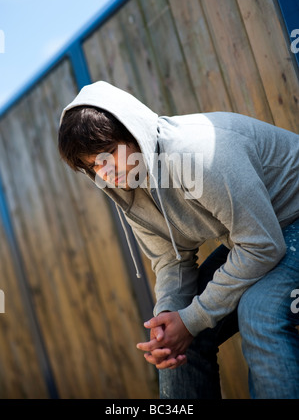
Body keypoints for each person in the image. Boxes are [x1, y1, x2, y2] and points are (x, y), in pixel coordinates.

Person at [58, 80, 299, 399]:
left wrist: (192, 317)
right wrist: (169, 316)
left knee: (260, 312)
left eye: (107, 154)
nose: (105, 173)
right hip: (259, 237)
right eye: (92, 165)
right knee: (174, 340)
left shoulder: (196, 154)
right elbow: (171, 258)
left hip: (286, 223)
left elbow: (262, 246)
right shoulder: (128, 186)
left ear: (132, 132)